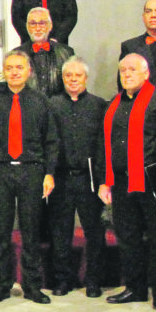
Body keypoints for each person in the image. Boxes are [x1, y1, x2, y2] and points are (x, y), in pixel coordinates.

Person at [0, 51, 59, 304]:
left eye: (19, 68)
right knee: (2, 231)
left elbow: (51, 141)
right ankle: (2, 285)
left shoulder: (40, 101)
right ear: (4, 71)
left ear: (28, 71)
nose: (14, 72)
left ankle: (32, 286)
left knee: (30, 231)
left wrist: (49, 173)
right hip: (1, 170)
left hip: (31, 169)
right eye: (10, 68)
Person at [98, 54, 156, 310]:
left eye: (132, 69)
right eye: (123, 70)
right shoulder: (114, 104)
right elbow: (104, 144)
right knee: (128, 237)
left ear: (146, 73)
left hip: (150, 180)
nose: (127, 74)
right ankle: (135, 288)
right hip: (120, 181)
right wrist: (104, 181)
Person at [47, 56, 108, 297]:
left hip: (89, 178)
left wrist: (104, 179)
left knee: (94, 232)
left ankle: (93, 281)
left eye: (78, 75)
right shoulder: (51, 104)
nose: (73, 79)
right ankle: (63, 280)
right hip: (61, 178)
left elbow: (104, 145)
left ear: (86, 78)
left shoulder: (98, 105)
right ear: (62, 79)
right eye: (68, 76)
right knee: (60, 231)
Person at [20, 8, 74, 97]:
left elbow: (74, 87)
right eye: (33, 24)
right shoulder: (17, 55)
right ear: (27, 27)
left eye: (42, 23)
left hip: (58, 108)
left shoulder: (66, 53)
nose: (37, 28)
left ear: (50, 26)